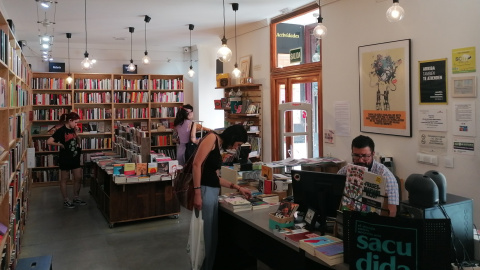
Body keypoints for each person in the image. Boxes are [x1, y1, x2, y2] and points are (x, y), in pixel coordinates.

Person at [192, 125, 252, 270]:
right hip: (205, 192)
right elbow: (196, 164)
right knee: (205, 240)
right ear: (233, 138)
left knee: (211, 239)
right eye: (237, 144)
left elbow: (213, 177)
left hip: (211, 192)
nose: (236, 148)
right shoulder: (212, 138)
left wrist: (238, 187)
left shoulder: (218, 144)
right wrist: (197, 193)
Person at [337, 135, 399, 217]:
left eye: (365, 156)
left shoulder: (386, 176)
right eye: (356, 156)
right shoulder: (346, 170)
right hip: (349, 216)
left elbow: (392, 211)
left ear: (373, 154)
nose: (360, 160)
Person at [46, 112, 86, 208]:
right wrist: (60, 144)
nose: (76, 124)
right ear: (70, 121)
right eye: (75, 122)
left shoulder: (73, 130)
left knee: (78, 177)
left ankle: (76, 197)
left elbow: (78, 143)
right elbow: (49, 141)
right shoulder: (61, 131)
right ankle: (66, 199)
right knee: (64, 178)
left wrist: (77, 134)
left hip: (75, 156)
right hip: (65, 157)